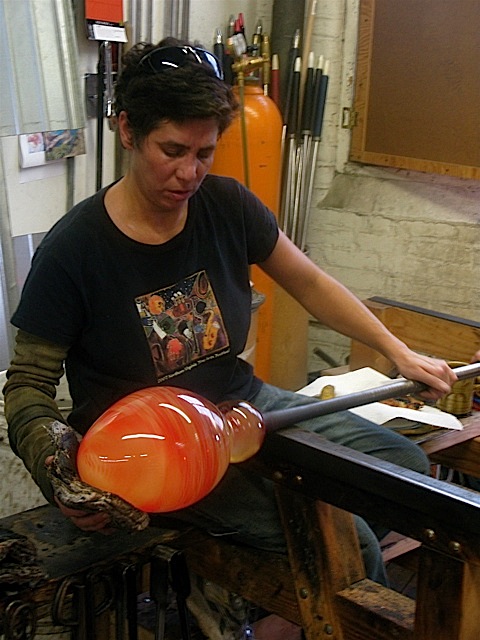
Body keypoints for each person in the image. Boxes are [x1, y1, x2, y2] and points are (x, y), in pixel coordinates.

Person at [3, 39, 456, 639]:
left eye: (204, 153)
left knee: (403, 468)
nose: (189, 173)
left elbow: (309, 281)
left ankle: (266, 600)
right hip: (153, 453)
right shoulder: (75, 248)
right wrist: (57, 470)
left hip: (241, 404)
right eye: (172, 151)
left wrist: (399, 352)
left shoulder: (227, 205)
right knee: (350, 543)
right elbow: (27, 386)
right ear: (128, 130)